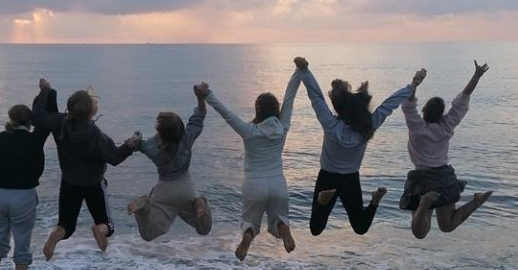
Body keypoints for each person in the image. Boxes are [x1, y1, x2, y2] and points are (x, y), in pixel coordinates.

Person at [300, 58, 426, 236]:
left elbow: (316, 99)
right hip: (350, 179)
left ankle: (322, 202)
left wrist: (305, 71)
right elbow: (389, 105)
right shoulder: (368, 127)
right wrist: (414, 84)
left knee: (316, 228)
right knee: (360, 227)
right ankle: (374, 201)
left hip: (327, 177)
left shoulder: (331, 124)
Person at [196, 58, 304, 261]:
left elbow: (227, 114)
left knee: (250, 223)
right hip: (278, 184)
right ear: (276, 109)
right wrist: (299, 72)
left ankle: (247, 238)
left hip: (254, 185)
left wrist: (207, 94)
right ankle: (284, 230)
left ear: (258, 110)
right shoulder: (283, 128)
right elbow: (290, 98)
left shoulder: (249, 131)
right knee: (279, 220)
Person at [31, 78, 140, 259]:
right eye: (93, 102)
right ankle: (99, 230)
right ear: (91, 111)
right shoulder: (96, 135)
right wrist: (130, 146)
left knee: (66, 225)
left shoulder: (60, 123)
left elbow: (38, 117)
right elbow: (114, 157)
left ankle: (55, 235)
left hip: (69, 183)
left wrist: (44, 92)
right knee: (107, 225)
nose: (96, 102)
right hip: (93, 184)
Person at [400, 61, 493, 239]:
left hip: (422, 178)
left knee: (419, 233)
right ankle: (476, 201)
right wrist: (476, 76)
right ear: (442, 114)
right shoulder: (447, 126)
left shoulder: (417, 127)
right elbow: (461, 102)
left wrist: (415, 82)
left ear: (425, 110)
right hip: (444, 177)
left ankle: (424, 204)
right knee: (447, 225)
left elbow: (408, 104)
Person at [0, 91, 57, 269]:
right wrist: (47, 93)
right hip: (24, 196)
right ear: (30, 121)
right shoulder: (35, 139)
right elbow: (46, 120)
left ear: (11, 119)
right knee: (22, 247)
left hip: (0, 195)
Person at [126, 84, 212, 243]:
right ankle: (200, 204)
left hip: (164, 190)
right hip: (187, 188)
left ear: (160, 132)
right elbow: (200, 115)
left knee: (149, 233)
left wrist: (135, 137)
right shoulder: (187, 138)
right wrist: (200, 97)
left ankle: (143, 209)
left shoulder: (153, 148)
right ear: (180, 127)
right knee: (204, 228)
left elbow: (138, 144)